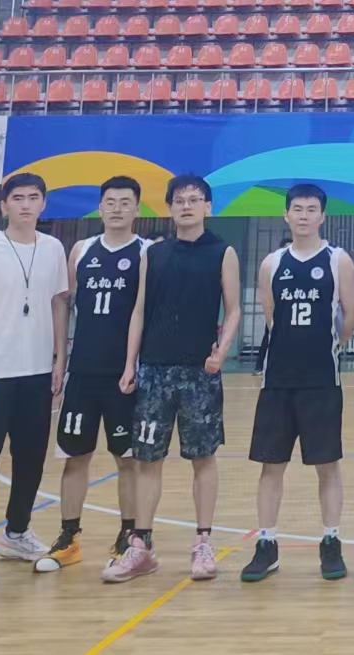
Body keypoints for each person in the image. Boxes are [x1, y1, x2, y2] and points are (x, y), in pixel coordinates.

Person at [103, 174, 242, 584]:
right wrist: (130, 364)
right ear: (169, 208)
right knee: (147, 459)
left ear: (208, 207)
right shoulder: (154, 253)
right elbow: (139, 311)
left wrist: (222, 352)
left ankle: (203, 542)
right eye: (179, 200)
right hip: (154, 371)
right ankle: (141, 545)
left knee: (203, 457)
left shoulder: (223, 252)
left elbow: (233, 309)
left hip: (200, 373)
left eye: (194, 199)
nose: (186, 206)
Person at [0, 173, 71, 587]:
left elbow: (58, 304)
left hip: (37, 374)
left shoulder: (53, 249)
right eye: (17, 198)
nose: (25, 204)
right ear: (3, 206)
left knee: (31, 460)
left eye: (33, 197)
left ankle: (16, 533)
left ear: (43, 204)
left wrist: (60, 358)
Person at [241, 183, 354, 584]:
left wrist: (332, 344)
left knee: (327, 465)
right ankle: (267, 544)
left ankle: (331, 540)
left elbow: (352, 313)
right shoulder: (272, 263)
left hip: (321, 380)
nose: (304, 215)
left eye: (312, 209)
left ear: (322, 216)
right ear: (287, 215)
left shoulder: (337, 260)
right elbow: (272, 316)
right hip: (278, 380)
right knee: (271, 465)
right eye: (298, 208)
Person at [36, 176, 146, 573]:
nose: (117, 208)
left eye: (125, 202)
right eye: (110, 201)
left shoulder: (146, 252)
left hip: (123, 376)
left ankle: (128, 535)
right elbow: (64, 304)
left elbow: (143, 312)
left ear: (137, 209)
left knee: (127, 459)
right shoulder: (81, 250)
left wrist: (133, 364)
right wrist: (59, 360)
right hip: (82, 372)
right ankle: (69, 537)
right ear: (100, 208)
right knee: (74, 457)